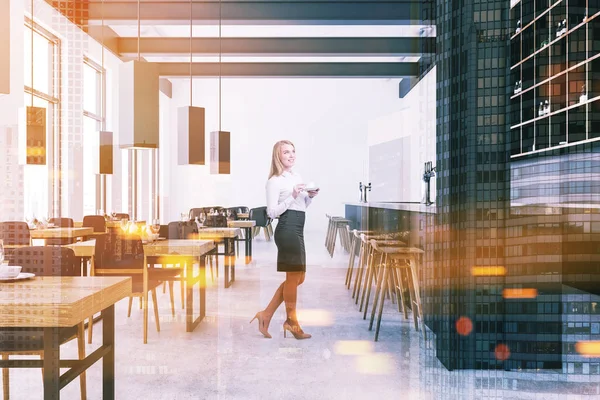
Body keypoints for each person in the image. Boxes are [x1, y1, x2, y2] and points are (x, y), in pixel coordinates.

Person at [250, 140, 319, 339]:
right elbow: (272, 212)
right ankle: (291, 322)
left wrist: (310, 196)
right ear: (278, 156)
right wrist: (292, 196)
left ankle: (266, 314)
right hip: (286, 228)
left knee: (299, 277)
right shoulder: (274, 181)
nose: (291, 155)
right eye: (286, 152)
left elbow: (301, 206)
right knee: (293, 277)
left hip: (298, 227)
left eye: (293, 151)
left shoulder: (296, 176)